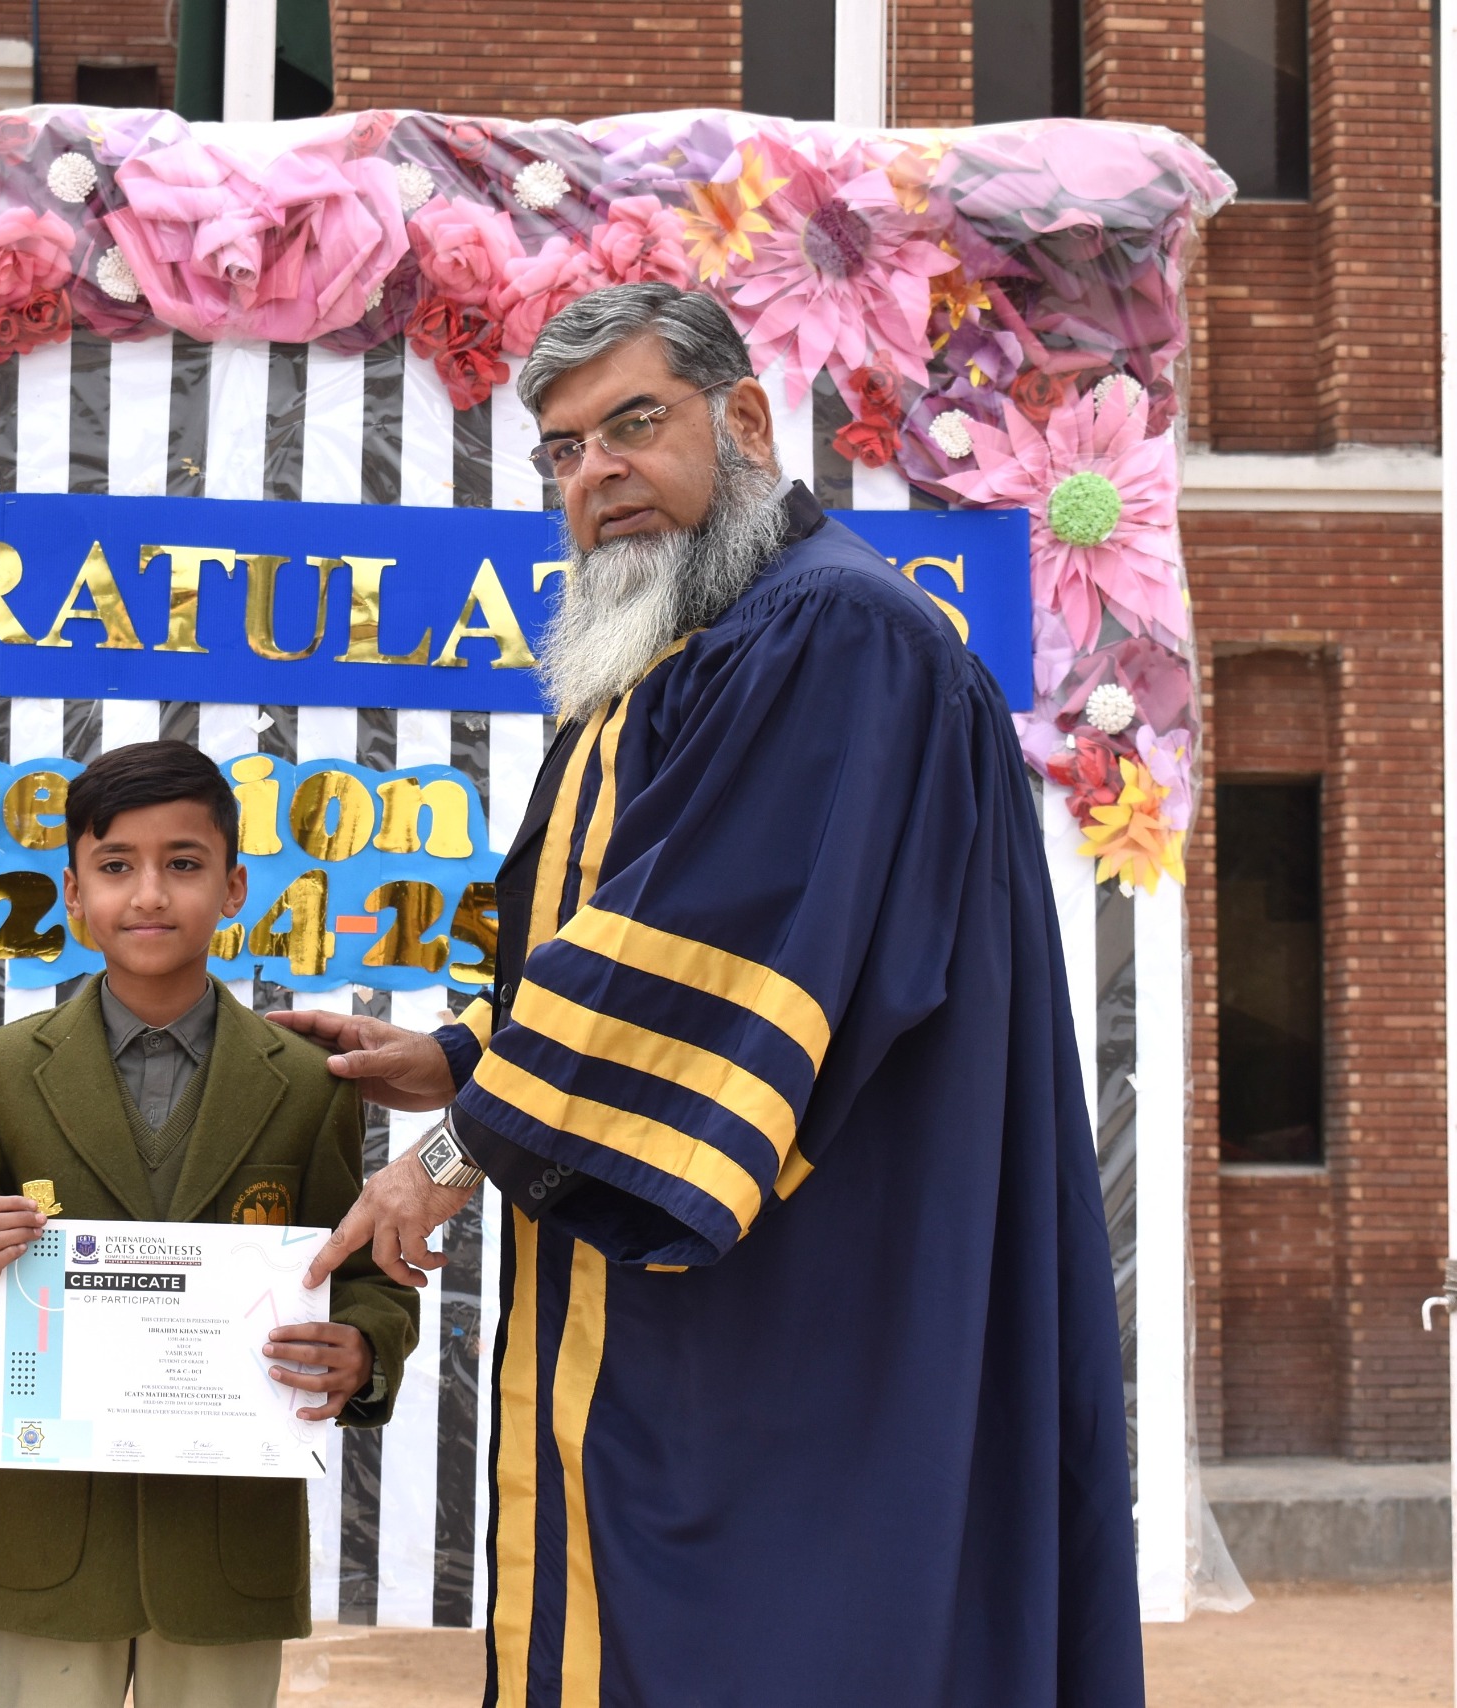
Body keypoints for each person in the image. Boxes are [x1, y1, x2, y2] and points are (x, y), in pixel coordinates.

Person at [270, 283, 1144, 1706]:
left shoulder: (834, 637)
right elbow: (652, 939)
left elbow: (728, 958)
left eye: (633, 424)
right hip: (734, 1293)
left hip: (805, 1294)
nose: (596, 474)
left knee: (771, 1639)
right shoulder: (696, 641)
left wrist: (448, 1155)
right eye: (564, 451)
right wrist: (465, 1057)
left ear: (742, 417)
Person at [0, 741, 421, 1708]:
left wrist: (363, 1352)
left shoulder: (310, 1086)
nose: (149, 893)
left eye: (183, 863)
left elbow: (363, 1276)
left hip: (227, 1545)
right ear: (73, 892)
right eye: (116, 866)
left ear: (234, 887)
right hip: (51, 1542)